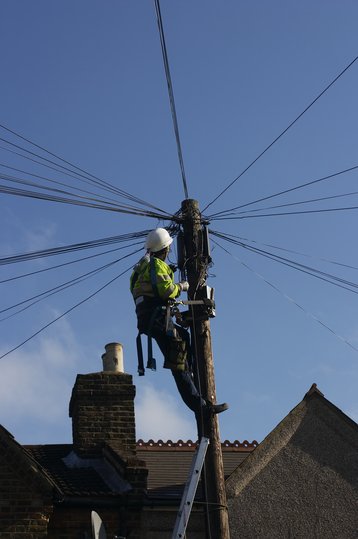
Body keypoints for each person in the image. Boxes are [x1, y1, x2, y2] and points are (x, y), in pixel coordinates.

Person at [130, 227, 228, 416]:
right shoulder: (156, 266)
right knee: (179, 363)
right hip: (157, 319)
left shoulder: (138, 270)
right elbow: (166, 291)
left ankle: (193, 375)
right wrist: (181, 286)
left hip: (150, 319)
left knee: (182, 336)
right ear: (166, 249)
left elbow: (149, 292)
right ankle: (200, 406)